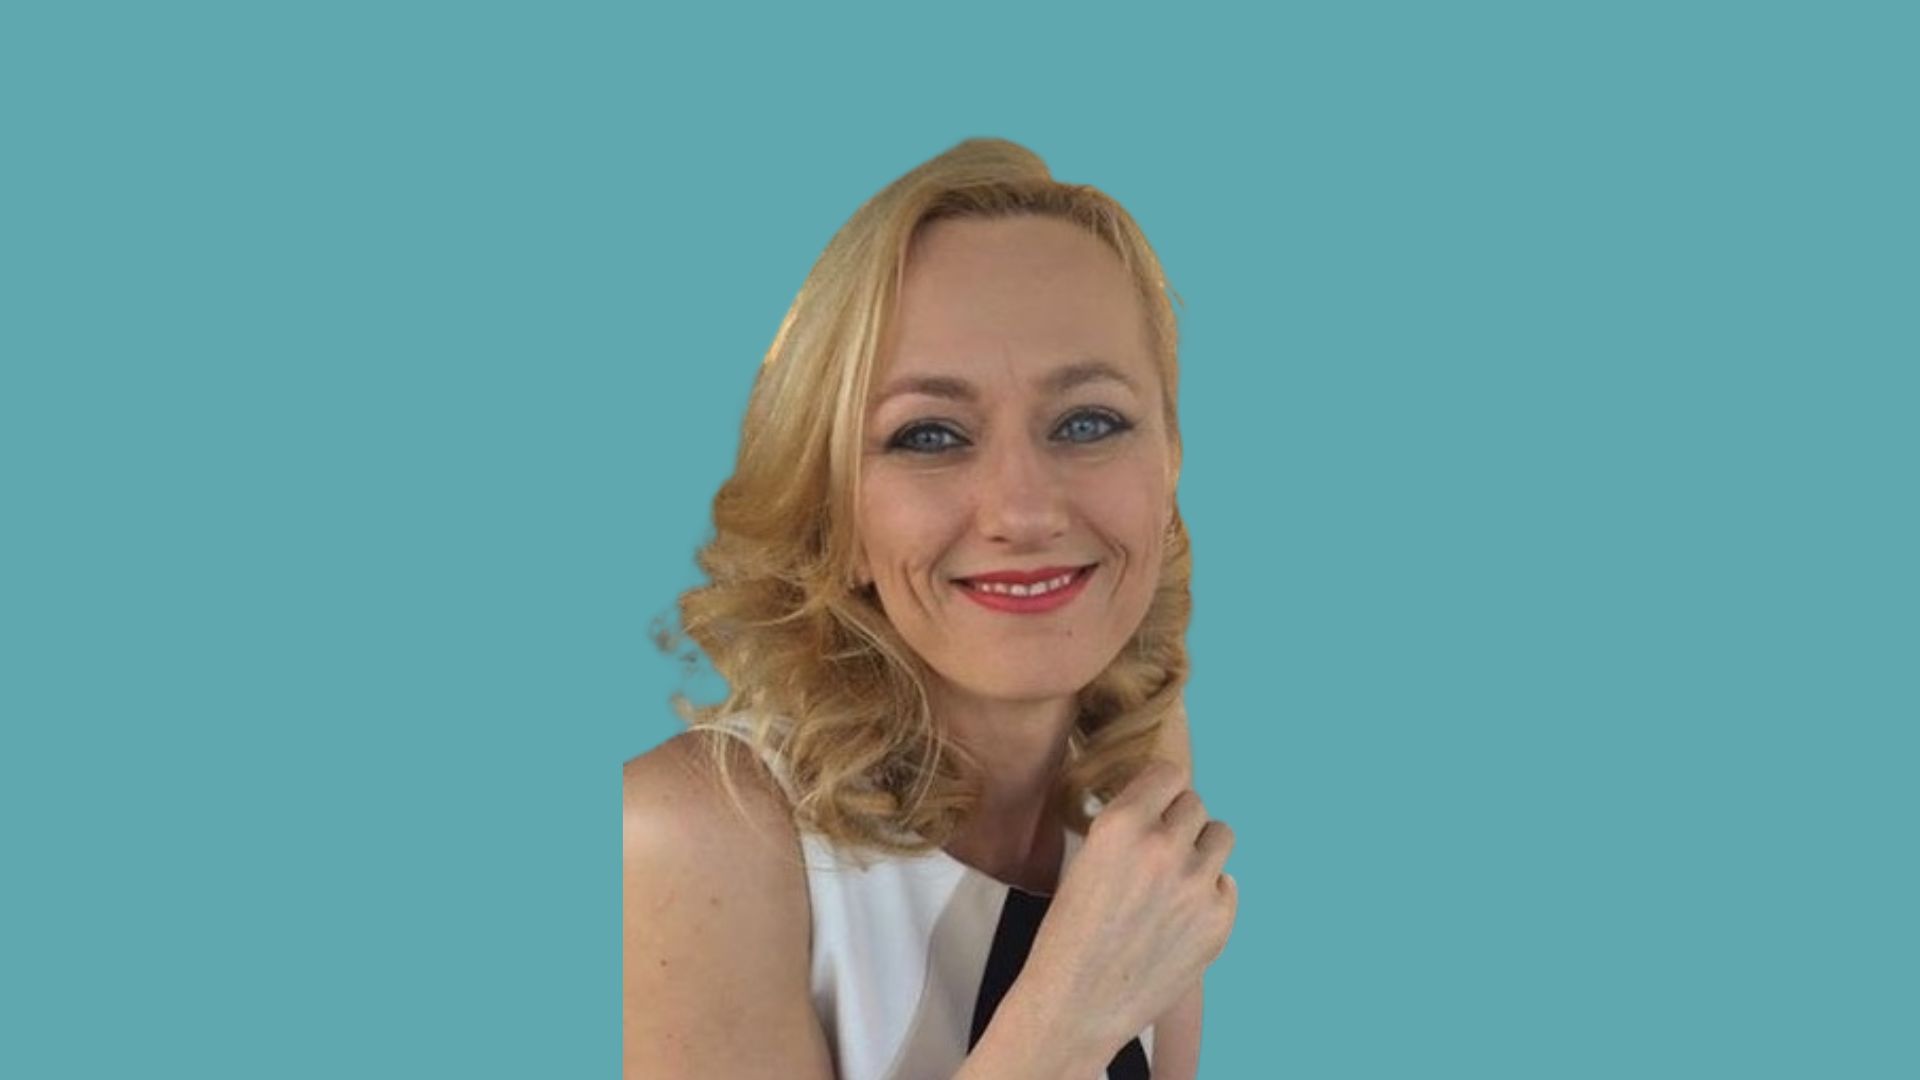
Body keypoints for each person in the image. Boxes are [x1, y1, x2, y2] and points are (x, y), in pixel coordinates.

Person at [623, 137, 1236, 1079]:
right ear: (836, 512)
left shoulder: (1131, 768)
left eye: (1088, 421)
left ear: (1170, 465)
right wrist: (1067, 1014)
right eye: (930, 435)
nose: (1024, 511)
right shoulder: (691, 834)